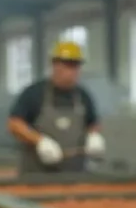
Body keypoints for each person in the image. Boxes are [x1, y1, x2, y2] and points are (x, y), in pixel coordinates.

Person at [6, 41, 105, 173]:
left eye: (76, 66)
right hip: (36, 175)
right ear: (55, 65)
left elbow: (93, 123)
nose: (72, 71)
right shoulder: (34, 93)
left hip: (75, 174)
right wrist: (40, 142)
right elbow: (14, 124)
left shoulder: (83, 96)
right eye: (67, 65)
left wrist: (94, 136)